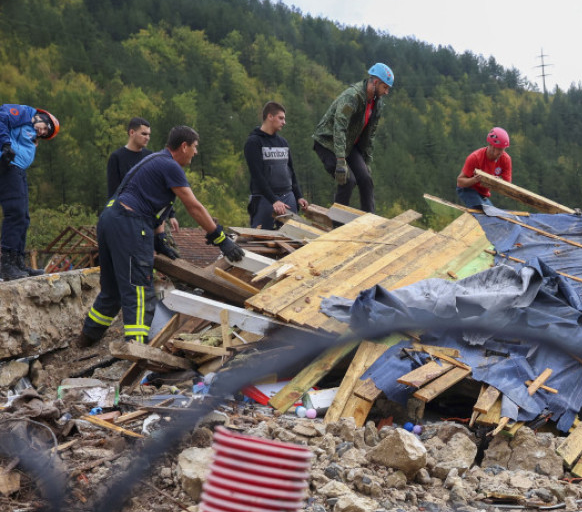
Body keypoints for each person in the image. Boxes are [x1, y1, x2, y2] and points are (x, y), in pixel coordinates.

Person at [79, 126, 245, 346]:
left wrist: (159, 238)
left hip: (110, 219)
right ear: (184, 146)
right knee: (138, 290)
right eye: (194, 147)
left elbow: (156, 206)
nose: (195, 153)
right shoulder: (171, 166)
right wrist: (220, 238)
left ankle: (86, 339)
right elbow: (193, 206)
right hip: (130, 223)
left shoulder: (154, 160)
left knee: (112, 290)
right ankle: (136, 349)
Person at [312, 62, 393, 213]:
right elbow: (339, 128)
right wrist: (341, 161)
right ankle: (337, 224)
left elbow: (370, 136)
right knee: (347, 180)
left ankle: (369, 220)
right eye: (385, 87)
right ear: (375, 82)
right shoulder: (352, 97)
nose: (386, 92)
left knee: (366, 180)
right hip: (327, 142)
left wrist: (366, 162)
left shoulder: (377, 104)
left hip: (349, 145)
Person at [0, 105, 59, 280]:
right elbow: (1, 118)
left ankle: (18, 262)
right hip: (8, 165)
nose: (42, 133)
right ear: (43, 117)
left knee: (24, 217)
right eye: (46, 128)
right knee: (15, 212)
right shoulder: (25, 113)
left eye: (45, 134)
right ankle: (6, 265)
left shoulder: (31, 132)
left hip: (18, 169)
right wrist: (5, 144)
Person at [244, 101, 308, 229]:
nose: (284, 122)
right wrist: (274, 200)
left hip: (287, 197)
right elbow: (257, 176)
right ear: (270, 116)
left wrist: (299, 196)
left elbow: (291, 171)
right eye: (281, 118)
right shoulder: (254, 142)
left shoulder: (283, 142)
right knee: (260, 239)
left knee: (292, 238)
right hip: (264, 199)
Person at [455, 127, 512, 208]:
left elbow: (507, 186)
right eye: (499, 149)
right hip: (467, 190)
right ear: (492, 145)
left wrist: (498, 183)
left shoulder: (506, 159)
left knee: (495, 216)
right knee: (482, 211)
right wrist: (475, 180)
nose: (501, 152)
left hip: (483, 195)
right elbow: (460, 182)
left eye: (503, 149)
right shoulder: (475, 157)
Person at [106, 117, 152, 197]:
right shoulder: (116, 157)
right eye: (144, 134)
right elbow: (113, 192)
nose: (147, 138)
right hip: (124, 206)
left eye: (149, 135)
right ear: (132, 132)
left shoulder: (150, 156)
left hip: (147, 207)